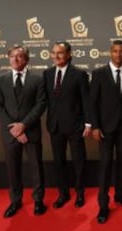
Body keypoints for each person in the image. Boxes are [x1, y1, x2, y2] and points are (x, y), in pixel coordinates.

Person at [90, 40, 122, 224]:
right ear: (110, 53)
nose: (118, 54)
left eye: (121, 51)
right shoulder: (98, 74)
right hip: (104, 128)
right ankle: (103, 206)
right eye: (115, 51)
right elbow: (92, 103)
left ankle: (119, 195)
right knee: (105, 165)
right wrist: (95, 126)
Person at [0, 45, 47, 217]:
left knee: (36, 167)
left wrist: (23, 125)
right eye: (12, 56)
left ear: (27, 59)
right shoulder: (0, 79)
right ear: (8, 58)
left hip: (31, 131)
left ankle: (38, 201)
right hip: (10, 134)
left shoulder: (37, 80)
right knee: (13, 169)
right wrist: (15, 129)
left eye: (20, 56)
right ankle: (15, 201)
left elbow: (40, 105)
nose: (16, 59)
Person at [43, 41, 91, 209]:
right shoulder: (47, 74)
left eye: (60, 53)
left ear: (69, 54)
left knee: (79, 161)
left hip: (75, 125)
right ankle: (63, 194)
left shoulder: (79, 74)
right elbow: (45, 101)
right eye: (53, 52)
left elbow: (87, 101)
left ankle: (79, 193)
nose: (56, 56)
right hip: (55, 126)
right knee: (59, 162)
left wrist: (88, 124)